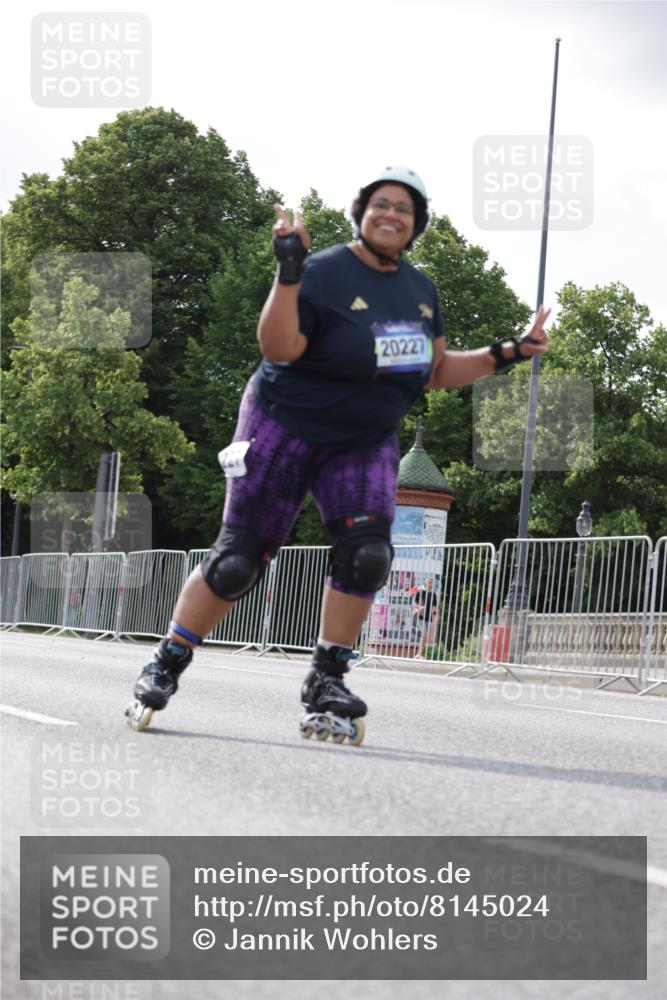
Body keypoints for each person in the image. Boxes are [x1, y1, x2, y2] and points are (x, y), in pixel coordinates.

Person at [126, 165, 551, 744]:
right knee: (238, 563)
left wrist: (509, 351)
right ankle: (168, 660)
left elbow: (431, 371)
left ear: (416, 223)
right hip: (284, 422)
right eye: (381, 204)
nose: (391, 214)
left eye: (404, 208)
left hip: (363, 437)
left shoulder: (420, 291)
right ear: (362, 211)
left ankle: (327, 675)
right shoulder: (324, 269)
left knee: (368, 554)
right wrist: (289, 270)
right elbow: (278, 345)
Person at [413, 578, 439, 659]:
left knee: (424, 637)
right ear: (426, 583)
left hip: (429, 617)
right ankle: (419, 654)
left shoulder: (433, 594)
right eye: (429, 582)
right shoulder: (420, 592)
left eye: (432, 582)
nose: (431, 584)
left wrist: (435, 611)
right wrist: (420, 607)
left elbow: (434, 605)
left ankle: (419, 654)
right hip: (421, 616)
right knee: (423, 634)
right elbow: (414, 604)